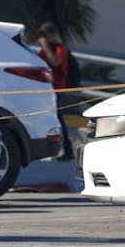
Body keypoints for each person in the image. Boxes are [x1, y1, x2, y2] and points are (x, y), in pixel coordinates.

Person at [37, 22, 77, 162]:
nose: (44, 39)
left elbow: (55, 62)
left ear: (52, 35)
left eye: (45, 35)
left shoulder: (60, 48)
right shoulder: (45, 50)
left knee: (59, 119)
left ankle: (68, 149)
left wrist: (45, 46)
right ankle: (49, 148)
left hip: (58, 89)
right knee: (51, 119)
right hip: (47, 90)